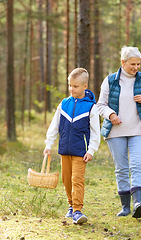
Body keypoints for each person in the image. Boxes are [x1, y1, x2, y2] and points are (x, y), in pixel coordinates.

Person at [97, 46, 141, 218]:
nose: (136, 67)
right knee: (121, 168)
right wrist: (111, 114)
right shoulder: (110, 81)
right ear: (122, 62)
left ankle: (138, 202)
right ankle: (125, 207)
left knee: (137, 164)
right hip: (115, 131)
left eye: (138, 64)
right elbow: (100, 105)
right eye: (132, 64)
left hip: (139, 130)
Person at [44, 68, 101, 224]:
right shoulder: (64, 104)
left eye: (75, 86)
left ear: (85, 86)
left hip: (80, 152)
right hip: (64, 150)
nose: (71, 89)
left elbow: (96, 132)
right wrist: (49, 144)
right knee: (66, 180)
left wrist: (91, 150)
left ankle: (77, 210)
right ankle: (70, 205)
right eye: (70, 85)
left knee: (77, 179)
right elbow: (54, 126)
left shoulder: (91, 107)